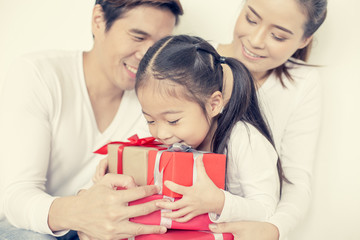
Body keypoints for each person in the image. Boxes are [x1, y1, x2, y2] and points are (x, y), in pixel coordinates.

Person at [0, 0, 183, 239]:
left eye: (158, 46)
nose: (147, 57)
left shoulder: (153, 102)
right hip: (24, 227)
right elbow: (15, 197)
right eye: (138, 37)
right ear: (99, 20)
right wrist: (84, 215)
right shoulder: (37, 75)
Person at [207, 0, 328, 239]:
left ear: (304, 40)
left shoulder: (301, 83)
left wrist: (274, 229)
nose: (256, 40)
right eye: (251, 19)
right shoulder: (196, 58)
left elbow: (296, 181)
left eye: (278, 36)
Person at [132, 34, 282, 224]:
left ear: (213, 104)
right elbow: (135, 147)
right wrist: (114, 165)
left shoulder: (243, 139)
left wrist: (218, 202)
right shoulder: (168, 133)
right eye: (150, 121)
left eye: (173, 120)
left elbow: (267, 210)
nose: (160, 134)